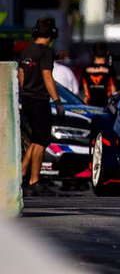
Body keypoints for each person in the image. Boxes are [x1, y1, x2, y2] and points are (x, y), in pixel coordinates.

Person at [18, 17, 64, 196]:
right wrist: (57, 101)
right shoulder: (46, 52)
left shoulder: (26, 50)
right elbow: (47, 76)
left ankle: (22, 174)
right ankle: (34, 180)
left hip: (27, 99)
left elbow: (21, 76)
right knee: (41, 140)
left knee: (35, 139)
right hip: (39, 101)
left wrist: (27, 91)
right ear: (53, 34)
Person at [83, 42, 118, 107]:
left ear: (93, 53)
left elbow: (85, 92)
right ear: (107, 53)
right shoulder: (110, 69)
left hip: (90, 106)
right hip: (105, 106)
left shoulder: (86, 69)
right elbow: (113, 91)